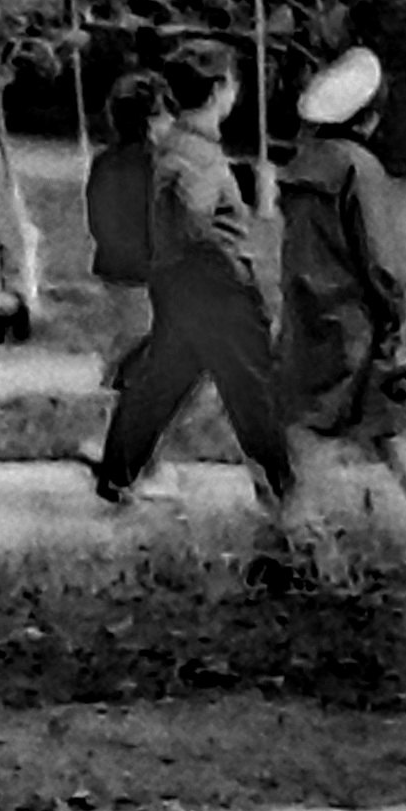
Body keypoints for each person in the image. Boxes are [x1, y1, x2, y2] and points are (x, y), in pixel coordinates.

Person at [85, 39, 297, 515]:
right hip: (217, 286)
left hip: (178, 283)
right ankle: (285, 493)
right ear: (220, 89)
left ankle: (117, 473)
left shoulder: (177, 143)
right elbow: (194, 216)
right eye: (233, 83)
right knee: (254, 388)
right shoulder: (198, 153)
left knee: (162, 378)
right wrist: (234, 270)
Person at [276, 48, 406, 513]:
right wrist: (393, 314)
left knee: (324, 419)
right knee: (358, 421)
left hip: (305, 313)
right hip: (355, 320)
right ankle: (304, 525)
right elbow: (378, 259)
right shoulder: (360, 170)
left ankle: (300, 518)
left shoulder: (301, 166)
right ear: (369, 118)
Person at [84, 70, 169, 391]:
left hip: (114, 264)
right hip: (147, 266)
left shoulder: (105, 161)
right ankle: (115, 390)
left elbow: (97, 214)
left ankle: (119, 387)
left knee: (133, 333)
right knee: (140, 338)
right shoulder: (156, 165)